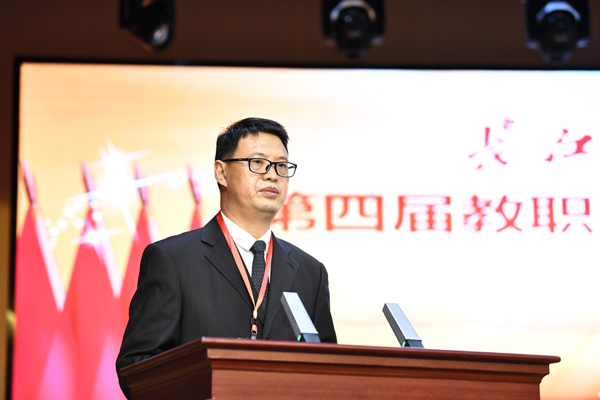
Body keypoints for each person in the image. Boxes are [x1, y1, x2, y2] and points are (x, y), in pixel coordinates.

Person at [116, 117, 337, 398]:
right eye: (258, 163)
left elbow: (331, 373)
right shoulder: (172, 259)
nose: (272, 175)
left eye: (281, 166)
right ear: (221, 172)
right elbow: (136, 368)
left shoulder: (311, 272)